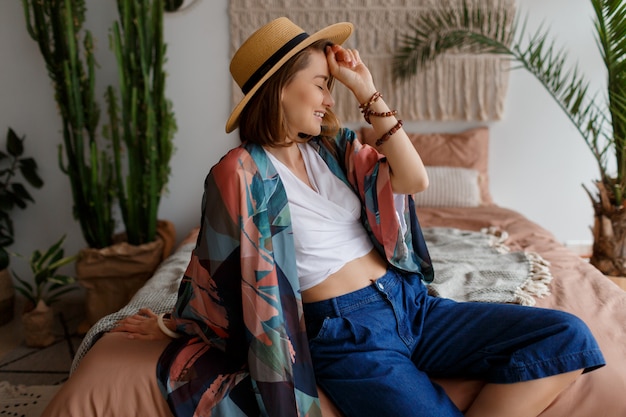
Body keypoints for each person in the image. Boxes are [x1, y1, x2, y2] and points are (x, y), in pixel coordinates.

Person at [110, 17, 605, 417]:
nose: (330, 99)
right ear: (280, 88)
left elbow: (414, 181)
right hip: (345, 335)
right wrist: (176, 327)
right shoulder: (238, 173)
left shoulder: (336, 148)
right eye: (323, 85)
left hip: (412, 305)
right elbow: (217, 266)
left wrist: (365, 90)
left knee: (567, 336)